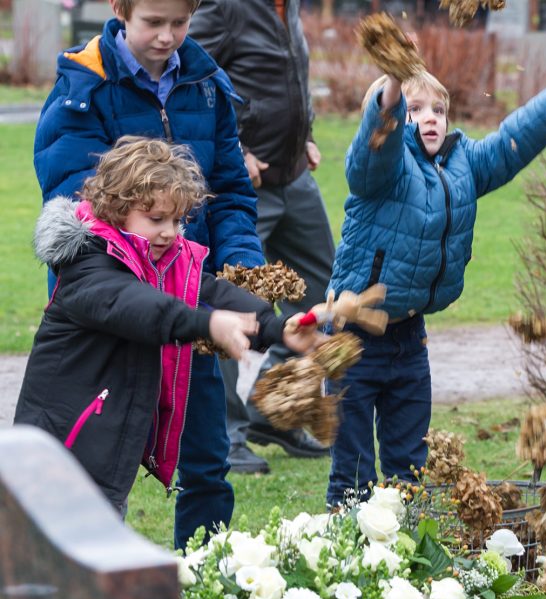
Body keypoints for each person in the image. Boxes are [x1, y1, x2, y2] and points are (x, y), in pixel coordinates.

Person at [324, 51, 546, 507]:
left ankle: (407, 561)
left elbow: (514, 139)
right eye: (415, 110)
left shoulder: (462, 165)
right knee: (353, 471)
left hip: (408, 337)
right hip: (351, 336)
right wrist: (394, 89)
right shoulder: (384, 169)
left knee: (409, 467)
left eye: (438, 109)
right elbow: (372, 149)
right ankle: (347, 562)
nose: (430, 119)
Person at [33, 0, 266, 550]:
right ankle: (83, 592)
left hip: (191, 303)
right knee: (90, 476)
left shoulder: (207, 82)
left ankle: (205, 591)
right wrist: (162, 291)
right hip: (109, 323)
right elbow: (80, 204)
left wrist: (242, 267)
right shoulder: (83, 87)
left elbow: (230, 188)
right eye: (152, 23)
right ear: (119, 10)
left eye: (179, 24)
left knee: (207, 463)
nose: (167, 37)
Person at [15, 137, 319, 515]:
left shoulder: (161, 259)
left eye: (177, 220)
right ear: (116, 209)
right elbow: (142, 308)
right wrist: (207, 324)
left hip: (106, 454)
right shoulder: (87, 266)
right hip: (59, 455)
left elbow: (210, 291)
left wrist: (276, 326)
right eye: (156, 219)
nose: (170, 232)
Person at [189, 0, 337, 474]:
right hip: (249, 184)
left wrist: (305, 133)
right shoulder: (226, 7)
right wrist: (238, 151)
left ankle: (273, 410)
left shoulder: (287, 7)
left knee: (321, 290)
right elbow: (197, 82)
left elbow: (290, 81)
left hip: (294, 177)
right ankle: (226, 436)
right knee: (235, 302)